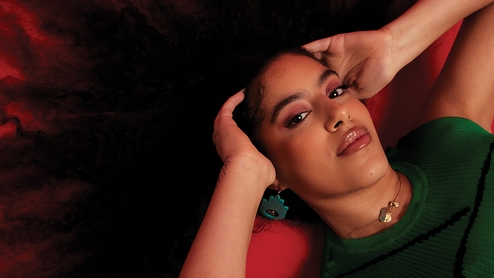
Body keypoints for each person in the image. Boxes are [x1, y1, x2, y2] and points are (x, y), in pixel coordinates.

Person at [180, 0, 494, 276]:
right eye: (298, 117)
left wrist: (394, 43)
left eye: (335, 90)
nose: (338, 113)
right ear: (269, 165)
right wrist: (243, 172)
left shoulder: (447, 139)